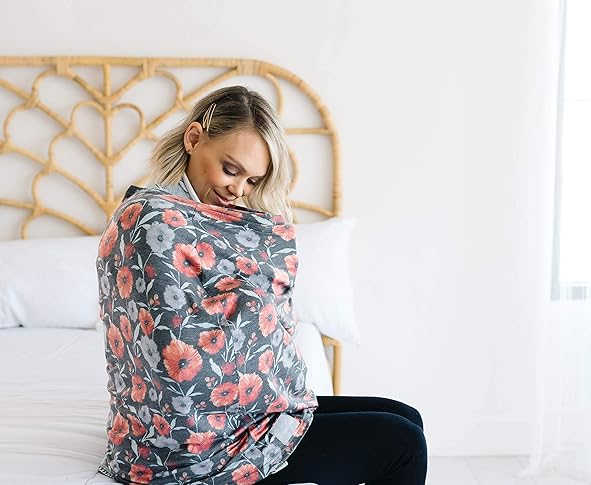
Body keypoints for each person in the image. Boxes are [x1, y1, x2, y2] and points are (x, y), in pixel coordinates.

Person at [96, 85, 427, 485]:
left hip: (229, 416)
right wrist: (256, 307)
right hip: (190, 447)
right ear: (194, 138)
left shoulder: (199, 218)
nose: (238, 190)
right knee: (403, 442)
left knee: (406, 416)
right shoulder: (153, 222)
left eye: (252, 180)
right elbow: (176, 359)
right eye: (230, 169)